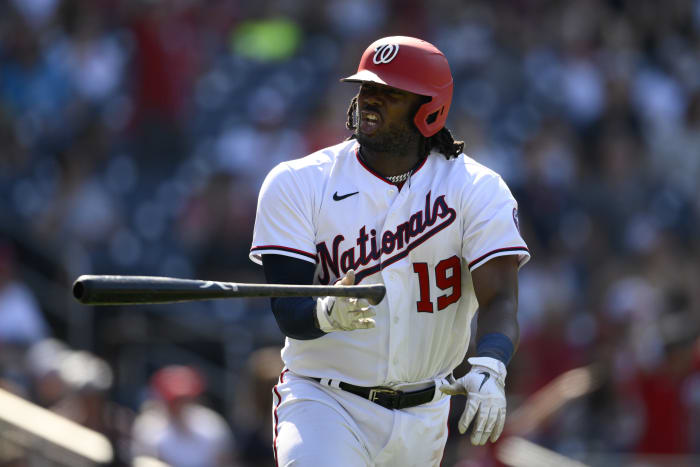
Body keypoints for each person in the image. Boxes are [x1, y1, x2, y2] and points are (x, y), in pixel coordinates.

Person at [249, 36, 530, 466]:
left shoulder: (476, 189)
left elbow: (502, 297)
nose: (370, 101)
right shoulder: (298, 182)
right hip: (324, 400)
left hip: (426, 411)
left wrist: (491, 365)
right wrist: (324, 314)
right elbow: (288, 310)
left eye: (390, 93)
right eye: (366, 88)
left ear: (430, 109)